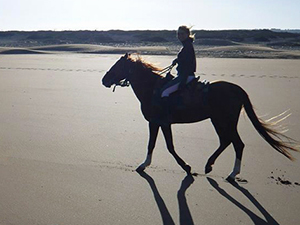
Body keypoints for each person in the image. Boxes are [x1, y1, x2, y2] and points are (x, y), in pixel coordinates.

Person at [161, 25, 197, 98]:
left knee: (165, 92)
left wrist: (183, 80)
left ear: (187, 34)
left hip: (185, 76)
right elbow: (185, 59)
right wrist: (177, 60)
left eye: (182, 34)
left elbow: (188, 64)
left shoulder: (187, 47)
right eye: (178, 34)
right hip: (184, 75)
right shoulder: (187, 45)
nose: (180, 36)